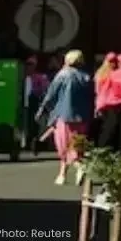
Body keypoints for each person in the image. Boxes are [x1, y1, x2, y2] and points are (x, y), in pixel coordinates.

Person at [36, 50, 94, 186]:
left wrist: (42, 109)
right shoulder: (86, 77)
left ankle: (78, 166)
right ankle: (63, 174)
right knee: (77, 144)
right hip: (83, 117)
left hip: (64, 115)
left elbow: (51, 94)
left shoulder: (63, 75)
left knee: (64, 145)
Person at [95, 53, 121, 156]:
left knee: (110, 127)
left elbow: (103, 91)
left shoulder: (111, 74)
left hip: (111, 103)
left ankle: (104, 148)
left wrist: (99, 104)